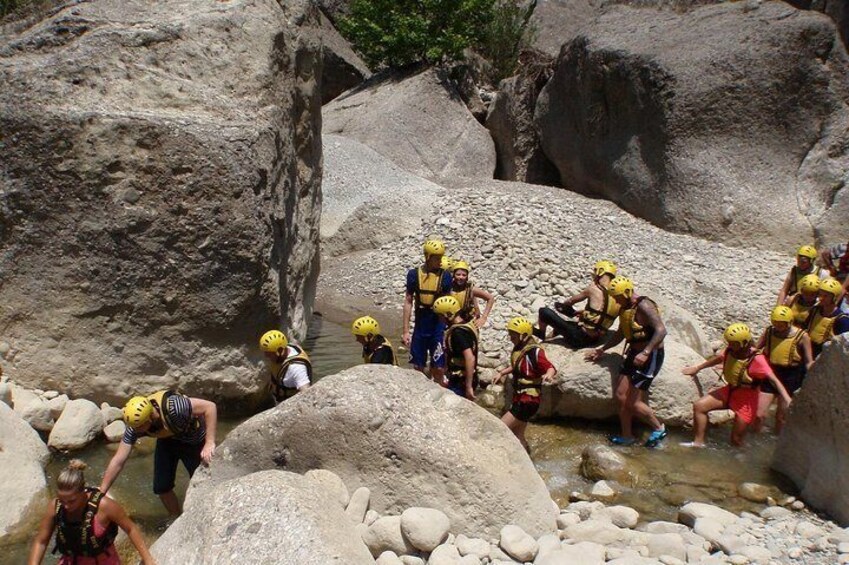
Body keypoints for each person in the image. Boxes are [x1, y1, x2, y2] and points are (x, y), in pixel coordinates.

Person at [100, 391, 217, 515]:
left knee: (201, 481)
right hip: (167, 441)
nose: (135, 430)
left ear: (150, 418)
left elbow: (210, 407)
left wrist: (209, 442)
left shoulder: (174, 407)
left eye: (139, 427)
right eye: (134, 427)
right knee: (162, 487)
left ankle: (206, 514)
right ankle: (176, 518)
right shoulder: (135, 426)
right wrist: (102, 491)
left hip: (193, 441)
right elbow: (119, 460)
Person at [584, 276, 668, 447]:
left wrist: (645, 352)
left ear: (628, 292)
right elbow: (621, 333)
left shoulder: (644, 305)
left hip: (650, 356)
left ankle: (659, 428)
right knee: (621, 397)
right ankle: (627, 435)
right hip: (633, 354)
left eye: (618, 297)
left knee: (634, 403)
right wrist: (602, 349)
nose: (615, 300)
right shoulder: (625, 307)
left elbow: (661, 330)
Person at [682, 323, 793, 447]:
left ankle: (739, 456)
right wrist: (697, 368)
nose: (729, 345)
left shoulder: (757, 359)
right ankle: (698, 443)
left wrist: (787, 398)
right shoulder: (731, 350)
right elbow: (719, 359)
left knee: (736, 440)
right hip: (729, 391)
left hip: (746, 400)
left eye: (733, 343)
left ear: (744, 343)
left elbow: (774, 380)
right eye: (729, 342)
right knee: (699, 406)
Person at [29, 460, 155, 565]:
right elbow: (41, 541)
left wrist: (148, 559)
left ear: (83, 492)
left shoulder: (104, 506)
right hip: (70, 561)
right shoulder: (55, 507)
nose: (66, 506)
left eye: (71, 501)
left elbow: (130, 528)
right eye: (62, 500)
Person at [491, 316, 557, 452]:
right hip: (521, 398)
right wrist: (502, 373)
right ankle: (528, 459)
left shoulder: (535, 352)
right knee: (518, 434)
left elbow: (550, 367)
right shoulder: (521, 349)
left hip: (528, 400)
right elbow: (516, 366)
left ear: (524, 336)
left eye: (513, 336)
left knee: (500, 428)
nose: (510, 338)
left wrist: (549, 374)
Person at [755, 306, 813, 434]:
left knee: (781, 417)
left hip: (791, 376)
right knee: (759, 415)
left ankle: (777, 441)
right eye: (775, 323)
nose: (777, 327)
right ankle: (754, 437)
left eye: (781, 324)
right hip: (771, 372)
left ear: (789, 322)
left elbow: (809, 362)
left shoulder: (802, 336)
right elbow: (755, 349)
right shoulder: (769, 331)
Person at [535, 260, 620, 348]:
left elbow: (569, 302)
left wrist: (565, 308)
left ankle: (541, 334)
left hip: (578, 338)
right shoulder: (618, 296)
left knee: (544, 312)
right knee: (566, 324)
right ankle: (548, 338)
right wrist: (585, 312)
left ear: (600, 272)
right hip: (596, 338)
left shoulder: (593, 289)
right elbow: (603, 311)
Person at [402, 238, 453, 383]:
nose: (439, 261)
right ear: (428, 257)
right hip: (421, 322)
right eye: (436, 258)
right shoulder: (413, 275)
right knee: (417, 366)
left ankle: (441, 394)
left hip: (438, 323)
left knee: (438, 367)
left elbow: (448, 303)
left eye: (441, 258)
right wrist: (406, 331)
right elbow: (408, 301)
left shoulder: (445, 276)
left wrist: (446, 331)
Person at [434, 296, 479, 400]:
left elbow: (470, 358)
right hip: (462, 377)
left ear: (448, 315)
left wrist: (468, 387)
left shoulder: (458, 333)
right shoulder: (467, 323)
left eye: (440, 316)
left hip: (461, 380)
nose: (439, 319)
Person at [259, 329, 312, 403]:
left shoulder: (296, 368)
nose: (266, 356)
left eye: (269, 353)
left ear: (280, 351)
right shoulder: (287, 347)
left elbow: (307, 393)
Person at [805, 277, 849, 358]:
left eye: (825, 296)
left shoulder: (842, 320)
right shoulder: (815, 310)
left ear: (834, 297)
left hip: (824, 357)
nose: (820, 298)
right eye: (820, 294)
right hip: (808, 352)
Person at [449, 260, 496, 328]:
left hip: (467, 321)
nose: (461, 277)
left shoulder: (471, 289)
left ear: (467, 277)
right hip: (449, 321)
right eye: (458, 274)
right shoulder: (448, 287)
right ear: (453, 275)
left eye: (464, 275)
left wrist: (483, 318)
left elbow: (490, 298)